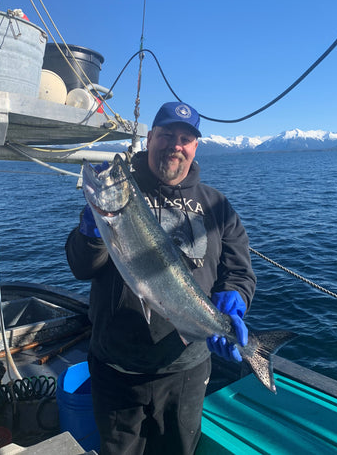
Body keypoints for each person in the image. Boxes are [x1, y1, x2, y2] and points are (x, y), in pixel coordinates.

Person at [65, 102, 256, 455]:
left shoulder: (217, 206)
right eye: (166, 134)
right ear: (150, 138)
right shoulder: (122, 190)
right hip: (117, 368)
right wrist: (91, 233)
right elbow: (82, 268)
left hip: (187, 368)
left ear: (196, 146)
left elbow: (239, 270)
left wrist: (235, 297)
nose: (175, 144)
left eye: (185, 138)